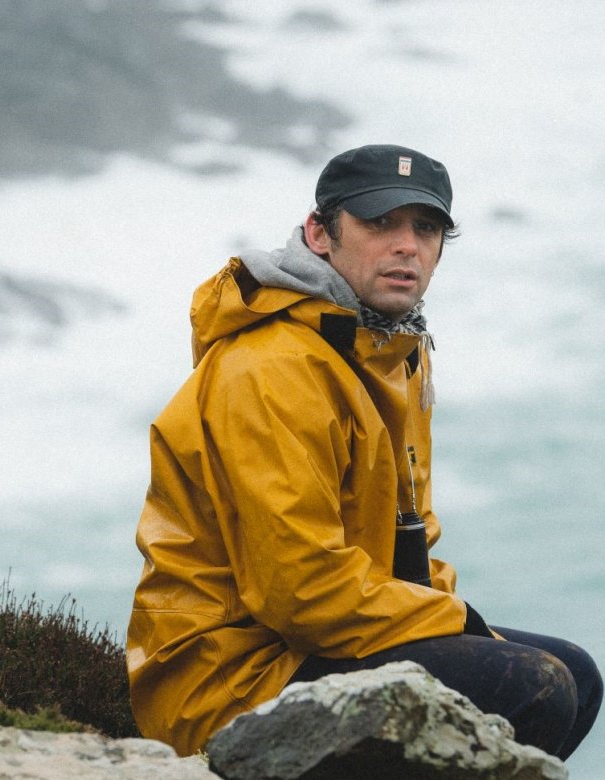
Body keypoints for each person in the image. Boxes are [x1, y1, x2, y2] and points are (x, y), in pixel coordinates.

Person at [126, 144, 602, 760]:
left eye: (426, 228)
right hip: (232, 678)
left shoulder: (388, 352)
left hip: (326, 641)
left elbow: (409, 546)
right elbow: (299, 592)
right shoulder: (272, 367)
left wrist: (456, 620)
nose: (407, 246)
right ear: (320, 234)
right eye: (380, 223)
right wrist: (463, 625)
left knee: (577, 675)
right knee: (536, 686)